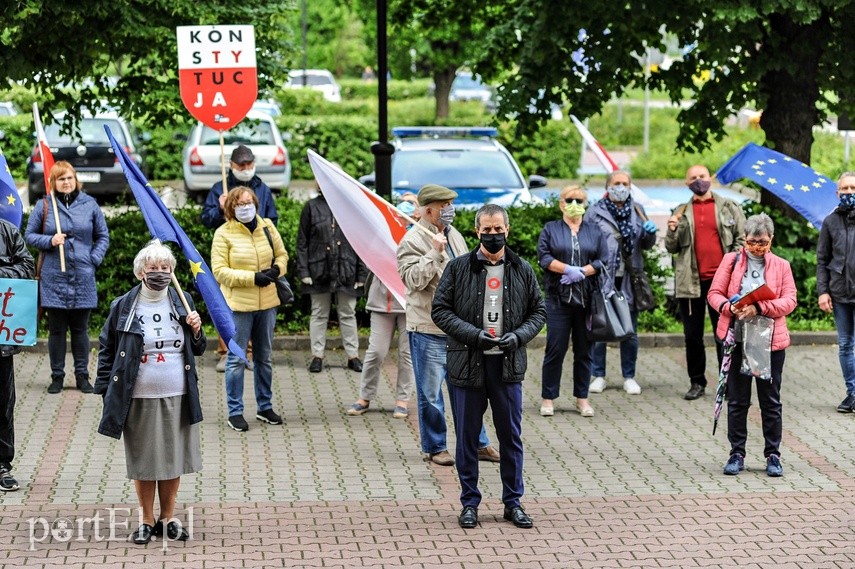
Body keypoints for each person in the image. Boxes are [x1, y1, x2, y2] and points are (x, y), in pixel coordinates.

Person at [432, 204, 546, 529]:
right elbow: (440, 310)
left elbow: (538, 311)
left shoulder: (522, 269)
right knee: (467, 438)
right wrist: (473, 335)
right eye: (487, 230)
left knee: (510, 437)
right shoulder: (457, 268)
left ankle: (513, 502)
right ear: (476, 231)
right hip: (467, 364)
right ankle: (469, 503)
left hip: (507, 366)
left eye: (498, 230)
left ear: (507, 231)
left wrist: (519, 336)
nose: (493, 235)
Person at [94, 240, 205, 544]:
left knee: (172, 458)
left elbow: (199, 348)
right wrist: (104, 389)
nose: (159, 273)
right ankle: (146, 518)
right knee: (144, 459)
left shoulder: (183, 301)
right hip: (138, 394)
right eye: (153, 268)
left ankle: (168, 518)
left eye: (165, 268)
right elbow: (107, 348)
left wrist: (197, 329)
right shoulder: (123, 306)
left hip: (177, 393)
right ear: (141, 271)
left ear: (172, 272)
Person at [397, 184, 499, 466]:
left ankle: (479, 444)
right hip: (428, 329)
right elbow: (413, 280)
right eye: (445, 206)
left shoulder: (452, 234)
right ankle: (435, 446)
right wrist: (433, 253)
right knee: (431, 395)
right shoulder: (412, 240)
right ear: (429, 210)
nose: (450, 210)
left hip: (459, 328)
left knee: (468, 390)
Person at [708, 213, 796, 477]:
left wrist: (760, 306)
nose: (757, 247)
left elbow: (789, 301)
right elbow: (714, 294)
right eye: (752, 241)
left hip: (770, 341)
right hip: (737, 336)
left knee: (770, 401)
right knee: (737, 400)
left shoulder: (781, 265)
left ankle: (773, 455)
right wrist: (729, 307)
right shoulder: (731, 261)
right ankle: (737, 452)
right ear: (744, 239)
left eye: (763, 242)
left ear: (771, 240)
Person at [25, 161, 109, 394]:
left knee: (81, 330)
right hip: (54, 277)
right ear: (54, 182)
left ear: (76, 179)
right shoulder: (44, 205)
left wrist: (93, 259)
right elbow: (29, 235)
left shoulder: (89, 204)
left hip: (83, 276)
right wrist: (49, 241)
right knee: (57, 330)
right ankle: (57, 376)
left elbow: (103, 236)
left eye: (69, 178)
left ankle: (82, 376)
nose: (66, 182)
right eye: (61, 179)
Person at [664, 164, 746, 401]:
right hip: (690, 284)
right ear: (686, 182)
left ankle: (728, 384)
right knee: (692, 336)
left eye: (702, 176)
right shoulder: (680, 211)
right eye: (693, 178)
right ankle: (697, 382)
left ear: (710, 178)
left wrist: (731, 266)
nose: (698, 180)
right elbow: (672, 248)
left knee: (725, 336)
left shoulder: (729, 207)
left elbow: (742, 238)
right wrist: (671, 230)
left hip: (722, 285)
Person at [211, 187, 289, 432]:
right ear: (231, 208)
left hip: (267, 303)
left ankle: (264, 406)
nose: (246, 207)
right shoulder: (223, 234)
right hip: (238, 306)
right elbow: (220, 271)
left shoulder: (267, 227)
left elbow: (282, 255)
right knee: (236, 359)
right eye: (240, 204)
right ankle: (235, 411)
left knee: (264, 358)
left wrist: (276, 271)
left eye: (249, 202)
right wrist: (252, 278)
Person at [201, 144, 279, 373]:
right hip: (231, 255)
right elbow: (206, 219)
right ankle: (227, 351)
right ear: (231, 166)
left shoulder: (262, 188)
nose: (246, 168)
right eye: (241, 165)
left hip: (256, 256)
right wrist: (220, 208)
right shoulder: (219, 189)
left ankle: (251, 352)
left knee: (256, 304)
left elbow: (272, 217)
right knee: (227, 304)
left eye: (249, 164)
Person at [538, 185, 608, 417]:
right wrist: (566, 269)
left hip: (587, 300)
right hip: (558, 299)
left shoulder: (594, 230)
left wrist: (583, 271)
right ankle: (548, 398)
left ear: (586, 204)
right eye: (570, 199)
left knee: (584, 351)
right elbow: (544, 257)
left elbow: (602, 259)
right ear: (561, 203)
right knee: (555, 349)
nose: (575, 204)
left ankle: (582, 398)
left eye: (579, 200)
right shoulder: (551, 229)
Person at [585, 171, 657, 395]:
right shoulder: (595, 212)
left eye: (625, 183)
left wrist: (650, 234)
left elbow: (646, 244)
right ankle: (598, 375)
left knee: (630, 330)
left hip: (629, 279)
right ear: (608, 186)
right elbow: (586, 243)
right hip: (603, 277)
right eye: (617, 183)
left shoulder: (637, 210)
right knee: (601, 327)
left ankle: (629, 376)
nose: (621, 187)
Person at [347, 203, 417, 419]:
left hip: (409, 305)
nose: (404, 209)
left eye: (410, 204)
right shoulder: (382, 231)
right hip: (381, 302)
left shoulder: (419, 235)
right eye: (401, 204)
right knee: (376, 352)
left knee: (407, 355)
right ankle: (364, 397)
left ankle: (402, 400)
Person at [296, 185, 366, 373]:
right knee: (319, 313)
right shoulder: (311, 207)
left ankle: (353, 356)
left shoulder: (349, 208)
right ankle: (317, 356)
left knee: (348, 313)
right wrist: (304, 272)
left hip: (347, 269)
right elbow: (302, 242)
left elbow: (359, 242)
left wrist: (361, 273)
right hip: (319, 270)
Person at [0, 219, 35, 492]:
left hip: (2, 335)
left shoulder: (7, 231)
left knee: (3, 404)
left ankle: (2, 465)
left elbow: (27, 267)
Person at [817, 172, 855, 412]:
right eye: (845, 189)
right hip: (839, 292)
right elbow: (822, 259)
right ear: (837, 192)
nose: (849, 192)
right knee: (844, 344)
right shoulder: (830, 221)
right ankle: (852, 393)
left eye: (853, 188)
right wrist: (823, 291)